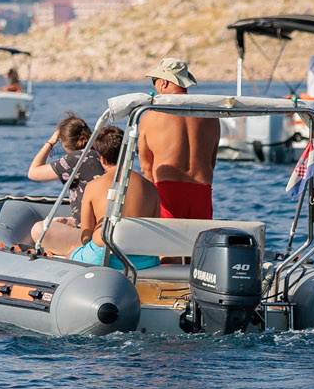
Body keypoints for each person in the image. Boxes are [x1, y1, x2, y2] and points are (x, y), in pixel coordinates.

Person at [137, 57, 217, 218]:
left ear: (163, 83)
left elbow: (146, 168)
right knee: (197, 241)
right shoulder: (211, 117)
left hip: (167, 192)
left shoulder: (151, 116)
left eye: (155, 81)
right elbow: (211, 161)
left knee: (165, 242)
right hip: (201, 191)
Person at [72, 127, 160, 267]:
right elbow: (154, 232)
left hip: (103, 257)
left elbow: (86, 236)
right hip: (142, 260)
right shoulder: (150, 188)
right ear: (127, 154)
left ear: (102, 159)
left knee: (71, 253)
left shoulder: (93, 186)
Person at [29, 112, 101, 186]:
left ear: (64, 144)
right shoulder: (100, 152)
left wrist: (51, 142)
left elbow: (32, 173)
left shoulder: (72, 160)